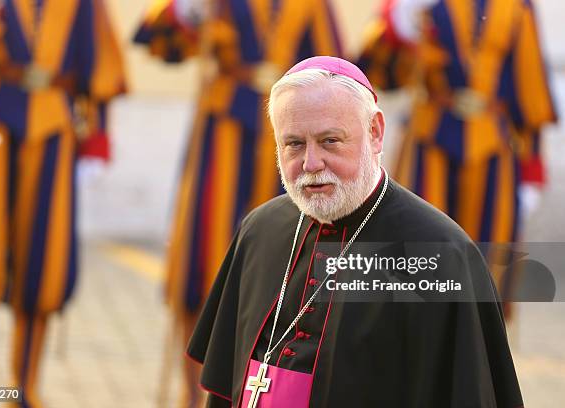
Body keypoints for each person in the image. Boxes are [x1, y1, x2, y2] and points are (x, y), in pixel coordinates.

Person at [187, 56, 523, 407]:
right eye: (294, 144)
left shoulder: (442, 253)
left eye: (330, 141)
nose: (311, 164)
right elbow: (226, 388)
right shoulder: (259, 231)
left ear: (375, 132)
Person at [133, 1, 342, 405]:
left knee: (287, 262)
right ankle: (191, 391)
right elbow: (161, 41)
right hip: (224, 123)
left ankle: (270, 384)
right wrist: (189, 14)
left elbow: (336, 69)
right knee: (201, 259)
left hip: (290, 136)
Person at [0, 1, 125, 406]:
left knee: (41, 264)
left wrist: (97, 137)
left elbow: (97, 64)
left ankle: (24, 388)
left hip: (53, 123)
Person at [355, 0, 557, 306]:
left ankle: (476, 349)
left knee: (487, 265)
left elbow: (528, 93)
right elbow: (382, 74)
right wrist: (397, 27)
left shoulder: (518, 6)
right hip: (429, 140)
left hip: (493, 148)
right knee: (416, 250)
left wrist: (531, 171)